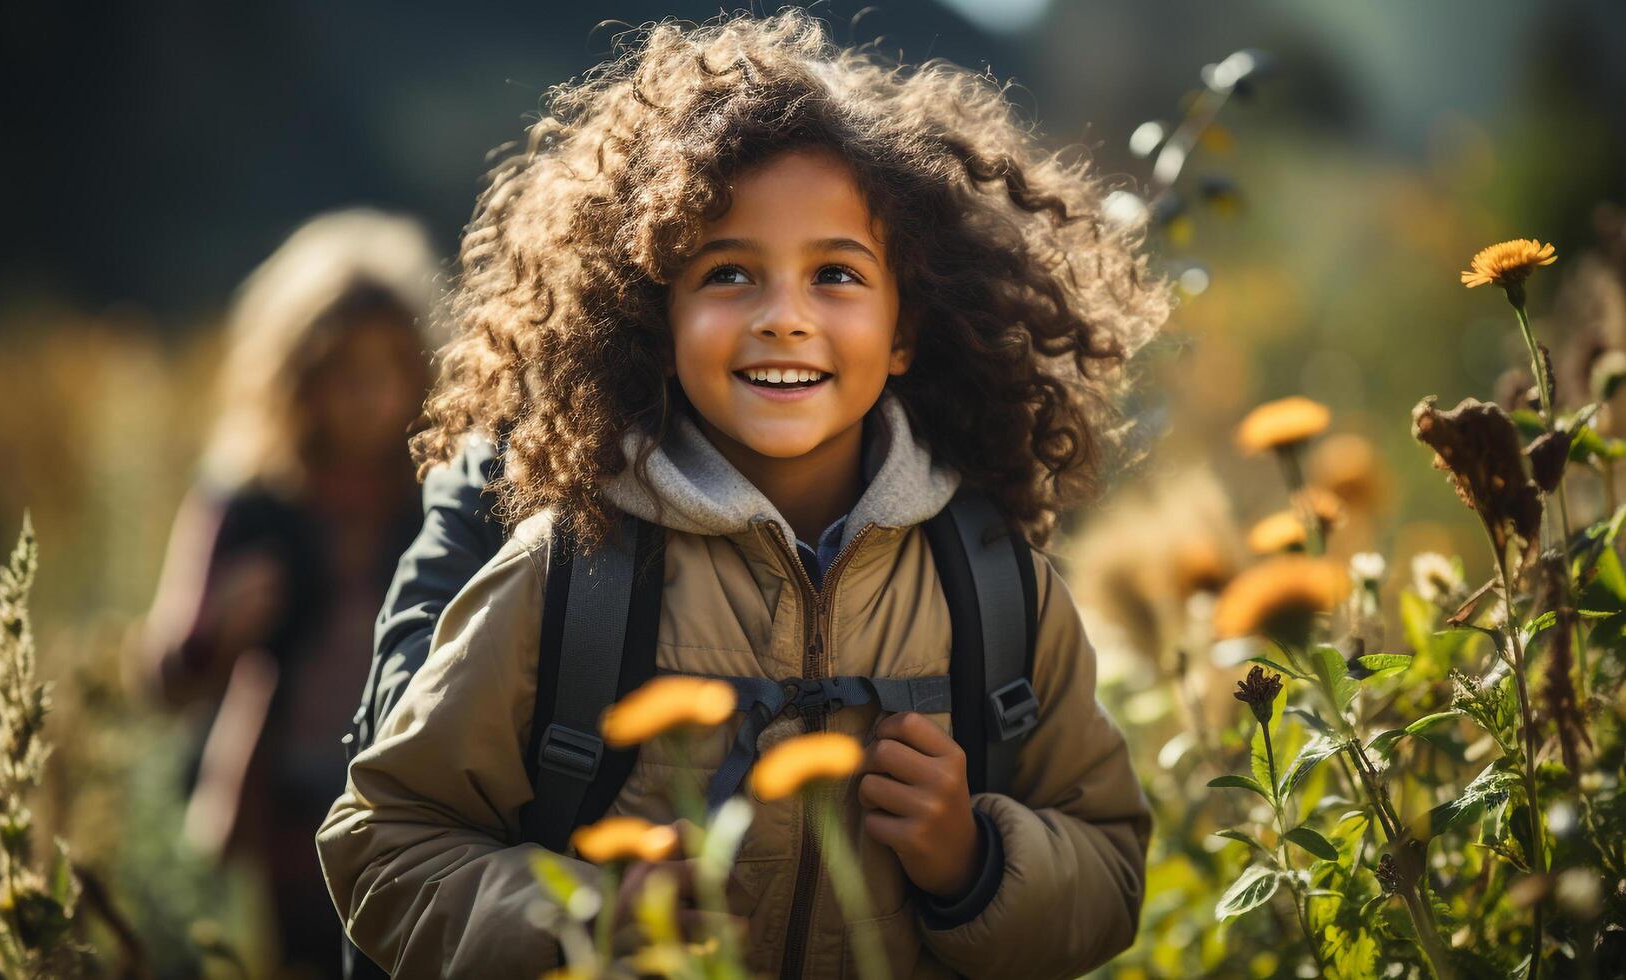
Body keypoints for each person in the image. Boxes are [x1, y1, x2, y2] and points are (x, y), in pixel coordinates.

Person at [318, 12, 1168, 978]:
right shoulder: (570, 568)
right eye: (728, 273)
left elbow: (1109, 866)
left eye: (836, 274)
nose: (783, 318)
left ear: (904, 328)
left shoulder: (993, 583)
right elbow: (384, 846)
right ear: (654, 317)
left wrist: (972, 864)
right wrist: (589, 918)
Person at [140, 209, 437, 976]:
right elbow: (162, 675)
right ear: (296, 375)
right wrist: (221, 631)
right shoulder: (249, 500)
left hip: (415, 803)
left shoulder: (438, 495)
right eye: (344, 370)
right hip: (284, 805)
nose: (369, 395)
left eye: (389, 367)